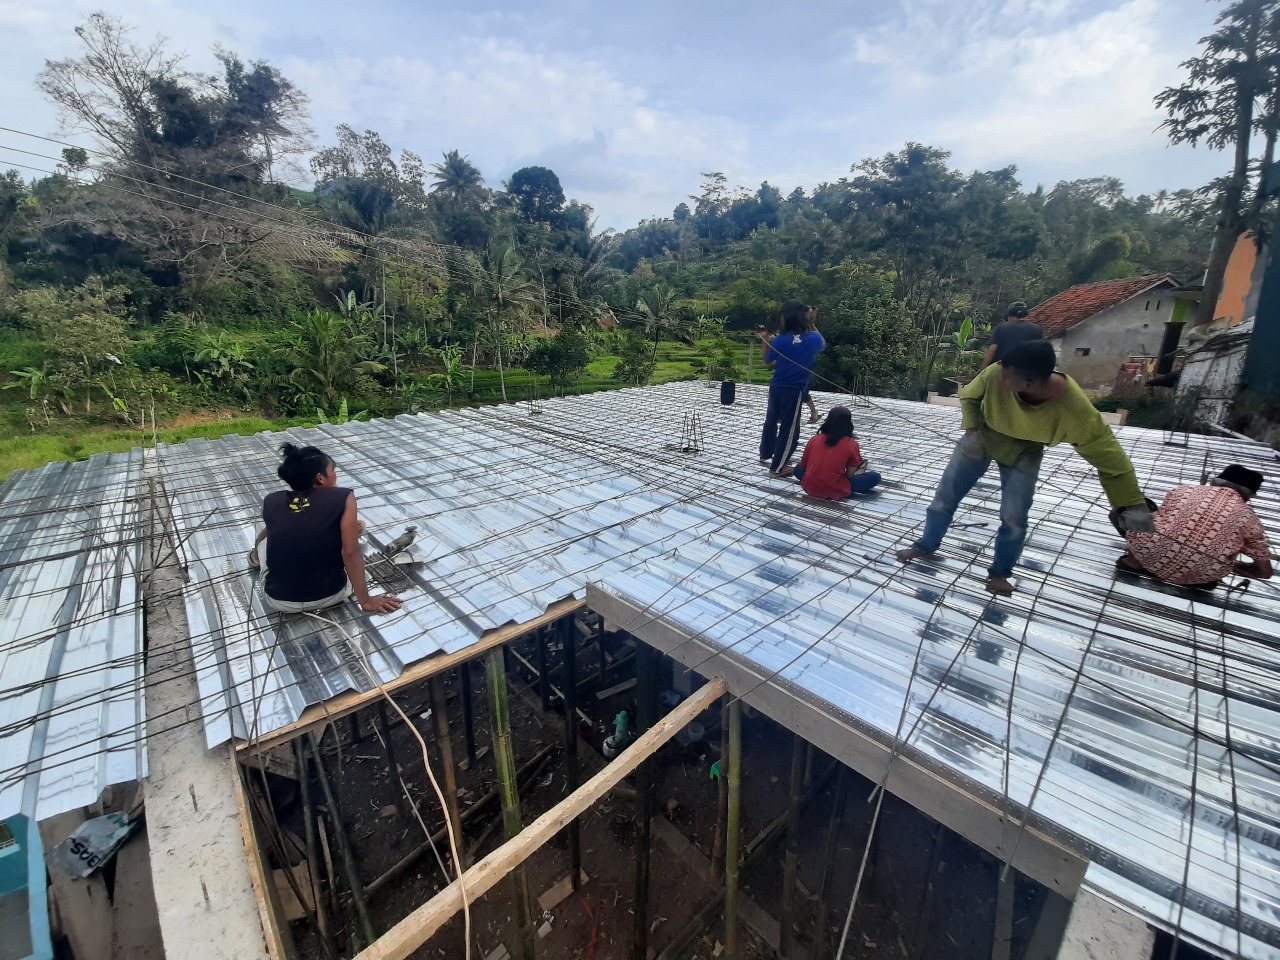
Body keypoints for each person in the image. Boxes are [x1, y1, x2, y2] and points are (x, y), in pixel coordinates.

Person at [896, 340, 1154, 596]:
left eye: (1006, 378)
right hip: (982, 437)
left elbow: (1110, 458)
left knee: (1015, 517)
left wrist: (1132, 503)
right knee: (944, 498)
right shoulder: (998, 371)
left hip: (1024, 451)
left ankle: (1000, 572)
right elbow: (971, 396)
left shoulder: (1076, 411)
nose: (1000, 379)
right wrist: (972, 429)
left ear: (1028, 384)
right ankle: (925, 546)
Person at [250, 443, 403, 614]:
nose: (335, 476)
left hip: (280, 601)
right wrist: (366, 601)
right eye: (333, 471)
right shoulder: (343, 497)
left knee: (266, 539)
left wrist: (257, 554)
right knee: (350, 540)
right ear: (321, 478)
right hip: (331, 594)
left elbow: (273, 531)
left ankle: (254, 558)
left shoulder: (271, 500)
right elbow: (350, 552)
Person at [1116, 465, 1272, 587]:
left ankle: (1133, 562)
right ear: (1249, 496)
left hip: (1149, 556)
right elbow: (1265, 572)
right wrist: (1227, 565)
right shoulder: (1251, 520)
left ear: (1214, 482)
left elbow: (1160, 520)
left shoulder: (1182, 491)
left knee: (1143, 509)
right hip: (1200, 577)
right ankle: (1198, 578)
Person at [757, 299, 825, 477]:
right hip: (794, 390)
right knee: (790, 429)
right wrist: (811, 323)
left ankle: (766, 453)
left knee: (771, 421)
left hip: (776, 386)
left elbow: (766, 360)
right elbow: (822, 345)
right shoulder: (813, 337)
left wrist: (764, 339)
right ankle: (777, 468)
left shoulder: (780, 340)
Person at [795, 406, 882, 498]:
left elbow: (804, 465)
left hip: (810, 486)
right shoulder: (852, 444)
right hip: (835, 488)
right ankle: (857, 472)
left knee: (798, 469)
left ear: (828, 421)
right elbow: (849, 475)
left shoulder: (815, 439)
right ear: (848, 424)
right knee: (875, 477)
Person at [981, 301, 1043, 369]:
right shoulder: (1037, 329)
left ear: (1009, 315)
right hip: (1025, 370)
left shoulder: (1002, 327)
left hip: (1002, 369)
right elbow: (1038, 352)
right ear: (1025, 314)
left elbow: (992, 349)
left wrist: (983, 370)